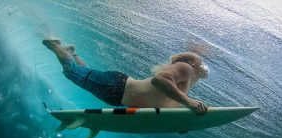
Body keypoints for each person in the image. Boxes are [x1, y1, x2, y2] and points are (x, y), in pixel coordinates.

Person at [42, 38, 209, 114]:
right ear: (194, 63)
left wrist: (183, 121)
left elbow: (163, 107)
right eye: (202, 64)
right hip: (116, 87)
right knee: (71, 72)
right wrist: (188, 102)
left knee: (82, 74)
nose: (204, 69)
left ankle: (72, 53)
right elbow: (160, 80)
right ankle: (56, 45)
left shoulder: (183, 88)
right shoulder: (186, 67)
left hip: (117, 95)